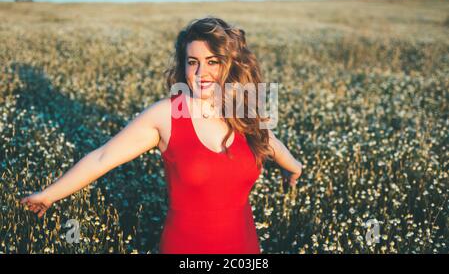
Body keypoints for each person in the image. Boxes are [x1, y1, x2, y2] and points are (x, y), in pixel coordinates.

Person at [20, 16, 304, 254]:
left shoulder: (241, 108)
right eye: (193, 62)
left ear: (229, 64)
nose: (201, 72)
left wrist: (294, 168)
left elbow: (271, 144)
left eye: (212, 61)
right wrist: (48, 195)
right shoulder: (167, 115)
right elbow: (102, 157)